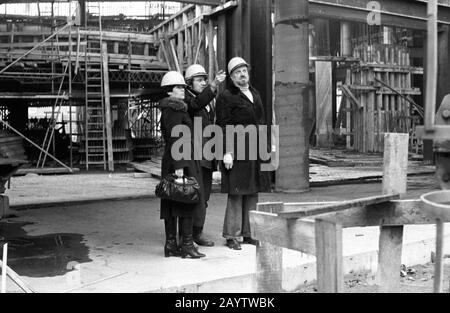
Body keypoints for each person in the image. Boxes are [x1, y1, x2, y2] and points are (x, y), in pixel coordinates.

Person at [215, 57, 267, 250]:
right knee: (236, 192)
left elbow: (260, 120)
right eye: (237, 72)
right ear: (231, 77)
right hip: (235, 150)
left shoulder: (255, 93)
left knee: (252, 191)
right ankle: (232, 235)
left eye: (244, 70)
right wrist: (226, 152)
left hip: (253, 147)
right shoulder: (226, 96)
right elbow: (222, 125)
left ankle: (249, 233)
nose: (242, 74)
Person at [158, 71, 206, 259]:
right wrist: (179, 167)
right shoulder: (174, 110)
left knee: (173, 201)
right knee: (186, 200)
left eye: (183, 87)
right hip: (180, 161)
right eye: (178, 87)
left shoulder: (174, 109)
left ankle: (171, 245)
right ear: (169, 92)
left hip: (178, 159)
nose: (183, 90)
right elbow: (176, 137)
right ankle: (186, 246)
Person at [184, 64, 226, 247]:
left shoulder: (206, 101)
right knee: (195, 194)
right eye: (199, 79)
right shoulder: (187, 99)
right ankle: (190, 233)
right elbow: (195, 105)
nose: (203, 82)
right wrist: (214, 85)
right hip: (195, 155)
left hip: (207, 155)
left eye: (204, 79)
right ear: (189, 83)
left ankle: (197, 231)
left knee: (205, 195)